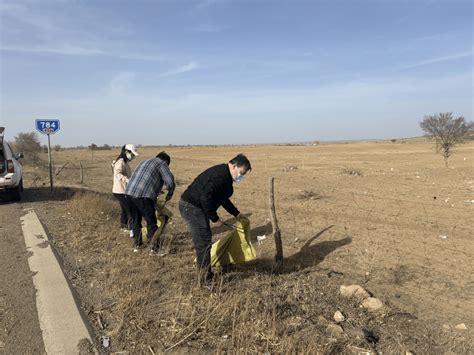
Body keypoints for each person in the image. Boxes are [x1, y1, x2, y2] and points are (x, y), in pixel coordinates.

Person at [179, 153, 251, 287]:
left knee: (204, 240)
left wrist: (237, 214)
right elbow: (205, 198)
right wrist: (214, 218)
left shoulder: (225, 176)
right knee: (204, 242)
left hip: (196, 207)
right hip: (192, 207)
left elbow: (223, 199)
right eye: (241, 172)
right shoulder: (220, 176)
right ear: (234, 166)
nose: (241, 176)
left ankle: (206, 274)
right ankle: (205, 280)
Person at [125, 151, 176, 254]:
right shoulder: (162, 163)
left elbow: (144, 180)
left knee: (135, 220)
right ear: (166, 161)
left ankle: (137, 245)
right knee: (151, 222)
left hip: (128, 194)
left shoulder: (144, 161)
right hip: (143, 196)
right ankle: (154, 249)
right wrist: (170, 193)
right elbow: (170, 182)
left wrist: (156, 190)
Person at [112, 144, 139, 234]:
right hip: (121, 191)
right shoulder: (120, 162)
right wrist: (127, 180)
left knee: (125, 210)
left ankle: (123, 228)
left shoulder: (123, 161)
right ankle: (132, 231)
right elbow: (117, 173)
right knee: (131, 211)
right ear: (126, 152)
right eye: (132, 154)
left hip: (121, 190)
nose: (133, 157)